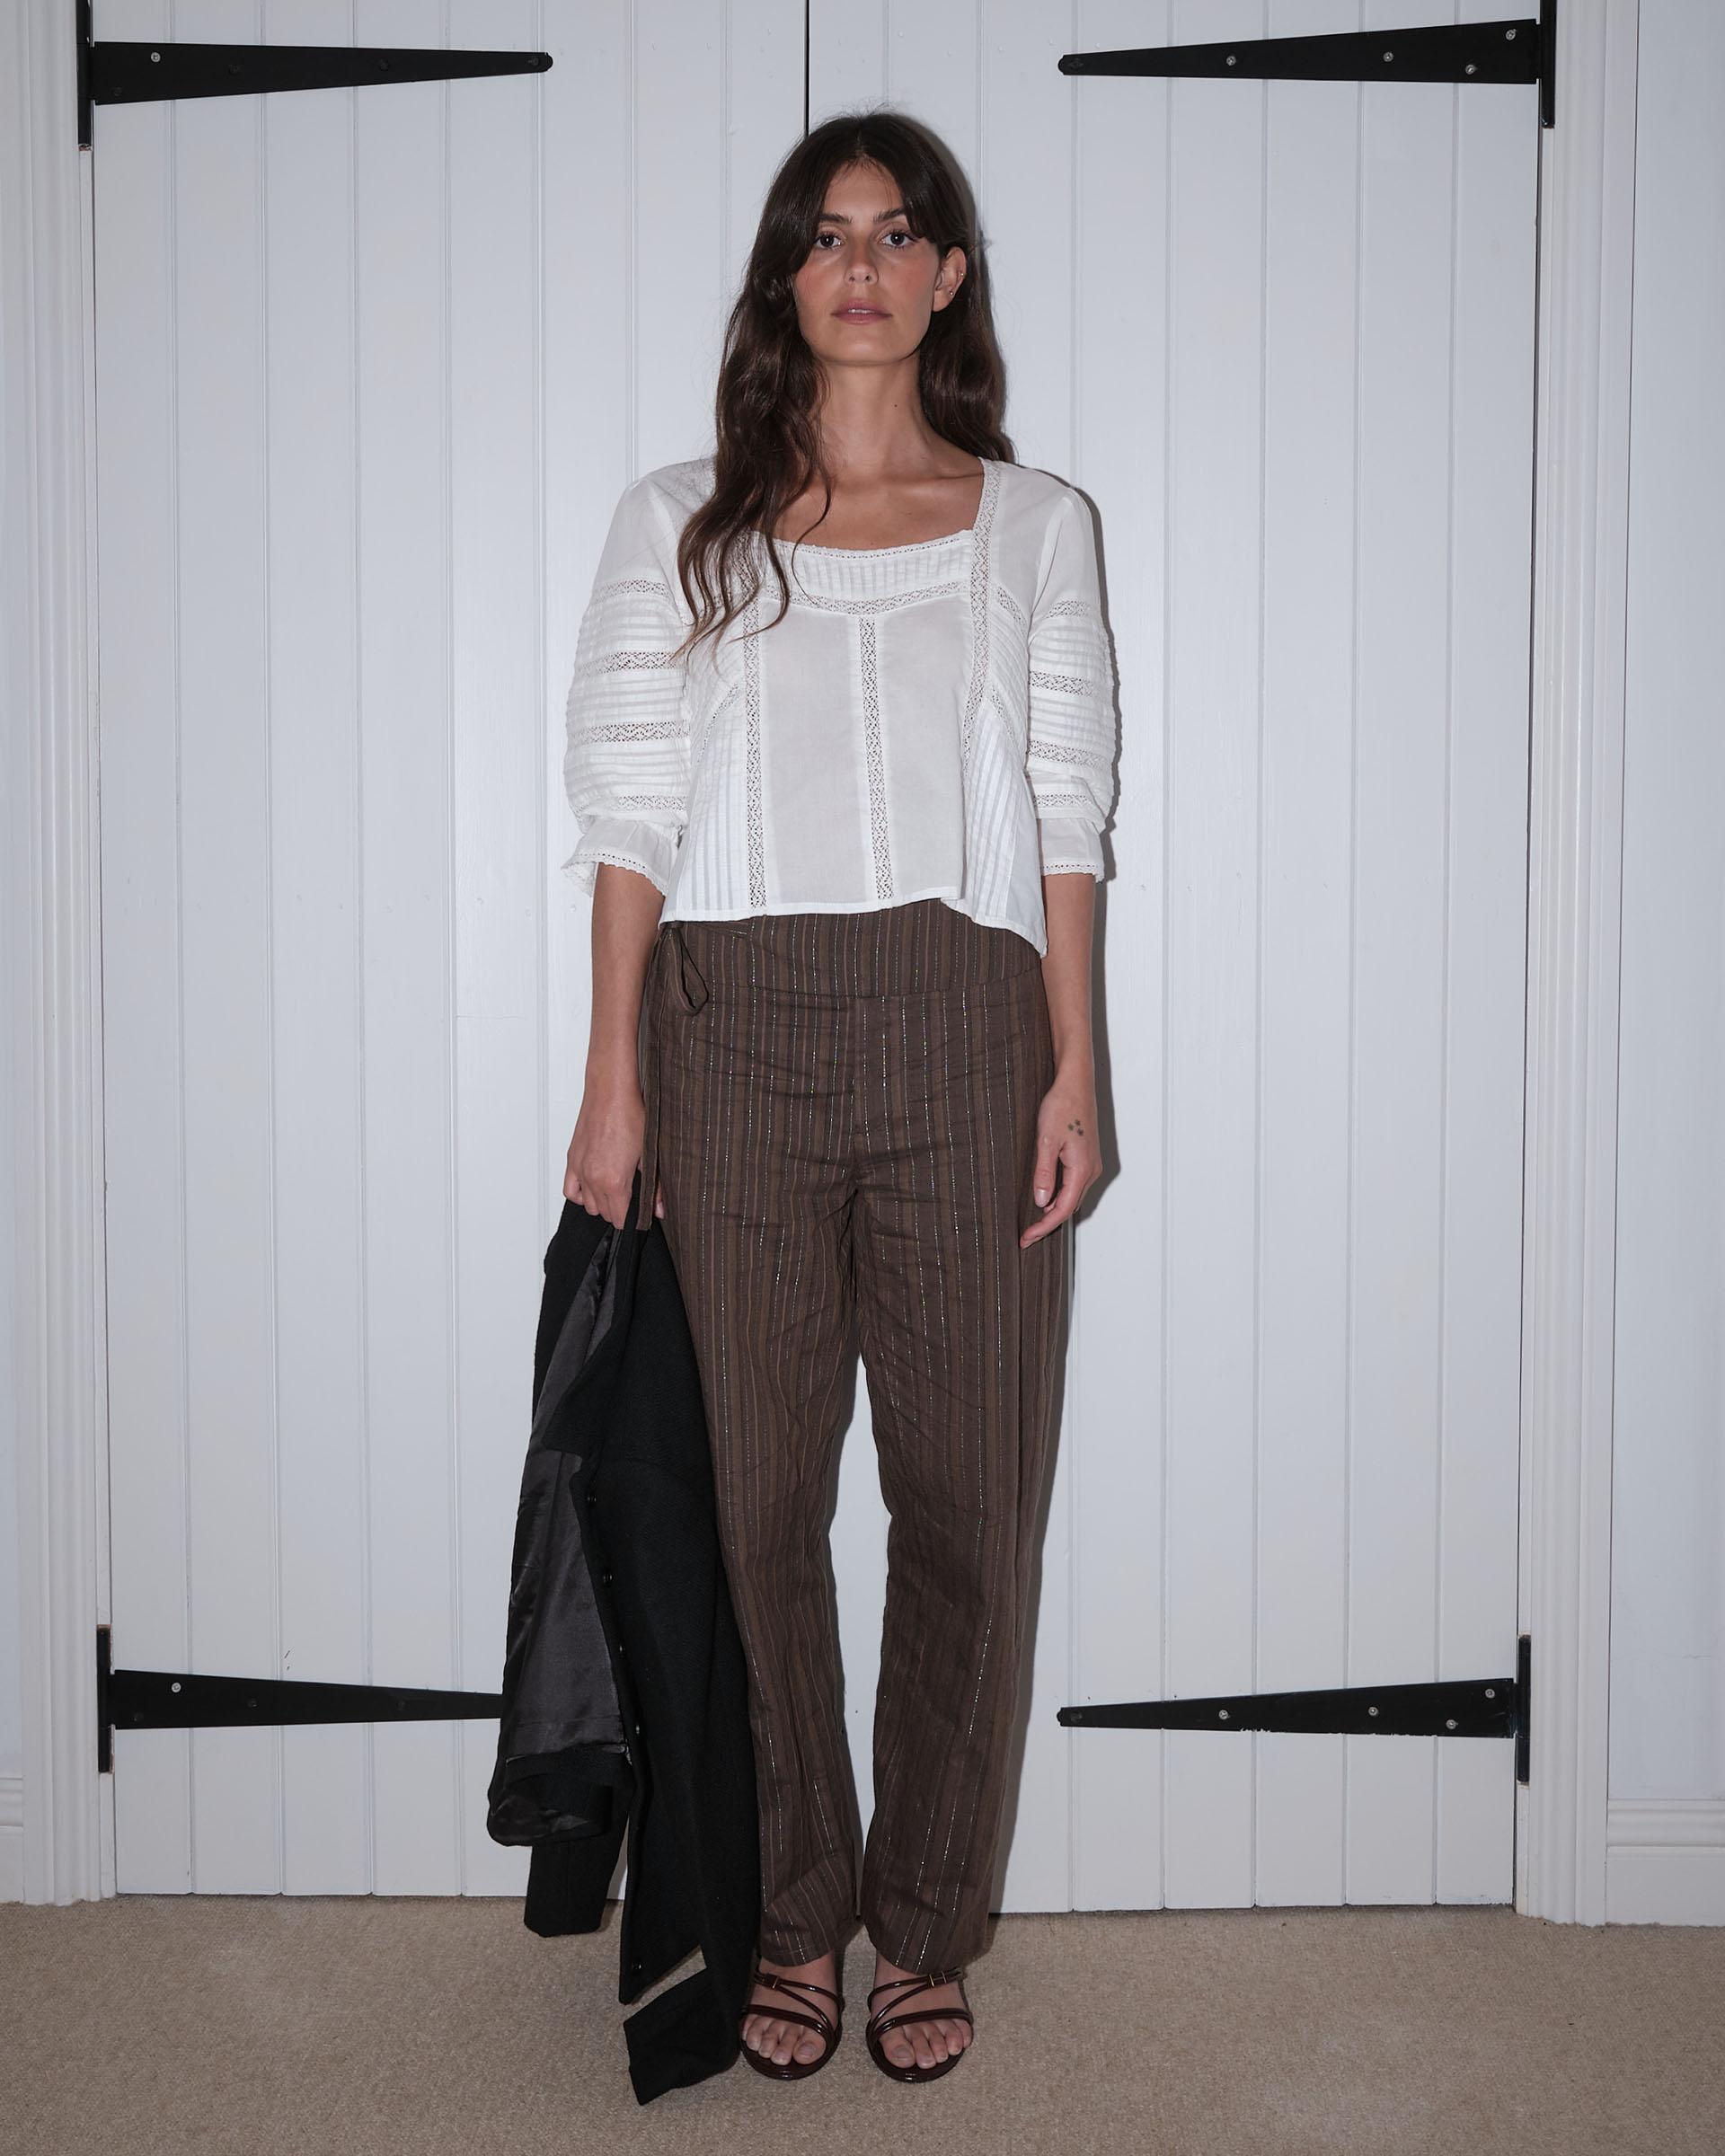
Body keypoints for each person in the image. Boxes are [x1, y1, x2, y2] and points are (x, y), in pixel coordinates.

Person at [559, 110, 1118, 2085]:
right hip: (730, 1035)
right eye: (823, 235)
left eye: (896, 234)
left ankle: (928, 1919)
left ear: (948, 275)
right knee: (755, 1502)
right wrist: (613, 1076)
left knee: (969, 1498)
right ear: (784, 277)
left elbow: (1068, 806)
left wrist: (1077, 1058)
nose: (859, 267)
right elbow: (630, 809)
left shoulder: (1036, 521)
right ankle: (795, 1908)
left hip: (971, 1029)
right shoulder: (680, 520)